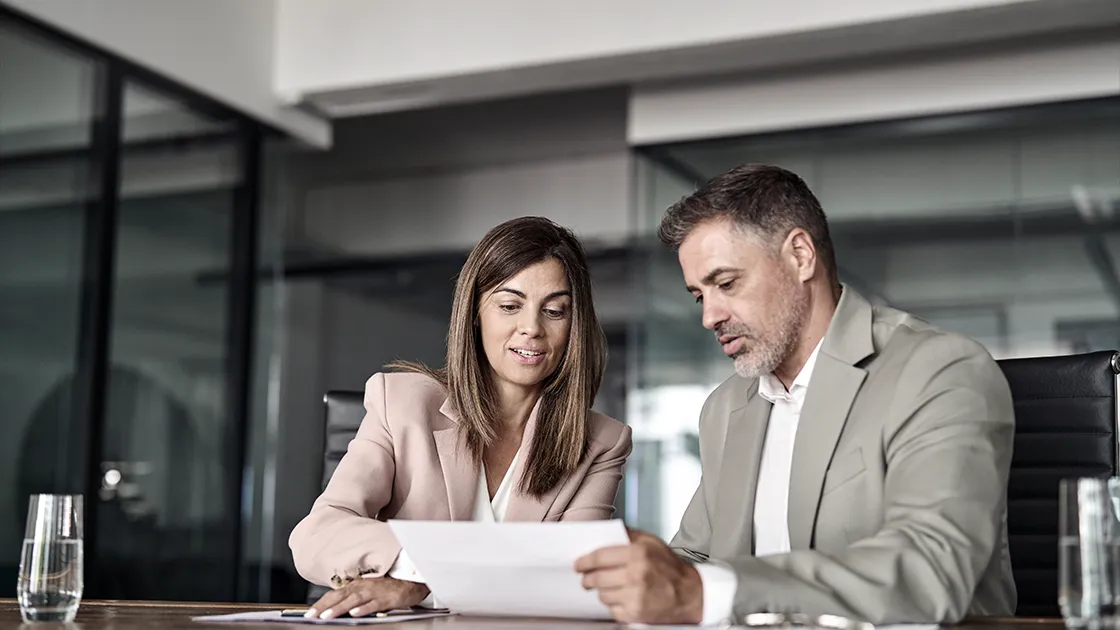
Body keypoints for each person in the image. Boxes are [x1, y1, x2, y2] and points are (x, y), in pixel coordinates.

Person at [575, 164, 1016, 625]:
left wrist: (708, 592)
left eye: (726, 284)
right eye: (699, 295)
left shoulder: (937, 371)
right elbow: (695, 558)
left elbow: (931, 569)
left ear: (801, 255)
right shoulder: (726, 408)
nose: (710, 316)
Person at [291, 216, 632, 619]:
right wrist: (416, 571)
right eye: (509, 306)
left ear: (575, 325)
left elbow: (579, 580)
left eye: (555, 311)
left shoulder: (602, 442)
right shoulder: (399, 402)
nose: (532, 328)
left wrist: (427, 581)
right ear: (475, 313)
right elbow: (317, 535)